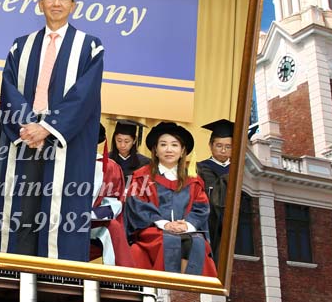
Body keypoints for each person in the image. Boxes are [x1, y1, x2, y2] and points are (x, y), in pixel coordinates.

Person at [0, 0, 104, 261]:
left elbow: (84, 96)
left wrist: (47, 127)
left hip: (65, 142)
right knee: (23, 209)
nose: (56, 3)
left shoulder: (90, 47)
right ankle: (14, 274)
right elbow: (9, 89)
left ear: (74, 5)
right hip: (26, 139)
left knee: (61, 212)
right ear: (40, 3)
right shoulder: (21, 46)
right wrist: (29, 126)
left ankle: (56, 281)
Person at [126, 122, 217, 277]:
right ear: (155, 150)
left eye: (174, 145)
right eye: (163, 144)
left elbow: (201, 208)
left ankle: (188, 290)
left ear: (182, 151)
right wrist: (165, 224)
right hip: (152, 230)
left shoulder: (193, 181)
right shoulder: (142, 177)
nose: (169, 149)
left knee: (196, 243)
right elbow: (138, 207)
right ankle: (168, 289)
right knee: (171, 242)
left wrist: (186, 224)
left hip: (186, 231)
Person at [89, 124, 134, 266]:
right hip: (57, 219)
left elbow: (113, 203)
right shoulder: (59, 162)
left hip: (90, 221)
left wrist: (87, 214)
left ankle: (119, 277)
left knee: (113, 227)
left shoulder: (109, 167)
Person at [195, 118, 234, 264]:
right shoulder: (200, 168)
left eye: (228, 146)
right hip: (209, 221)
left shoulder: (238, 169)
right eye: (219, 145)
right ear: (210, 145)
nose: (223, 150)